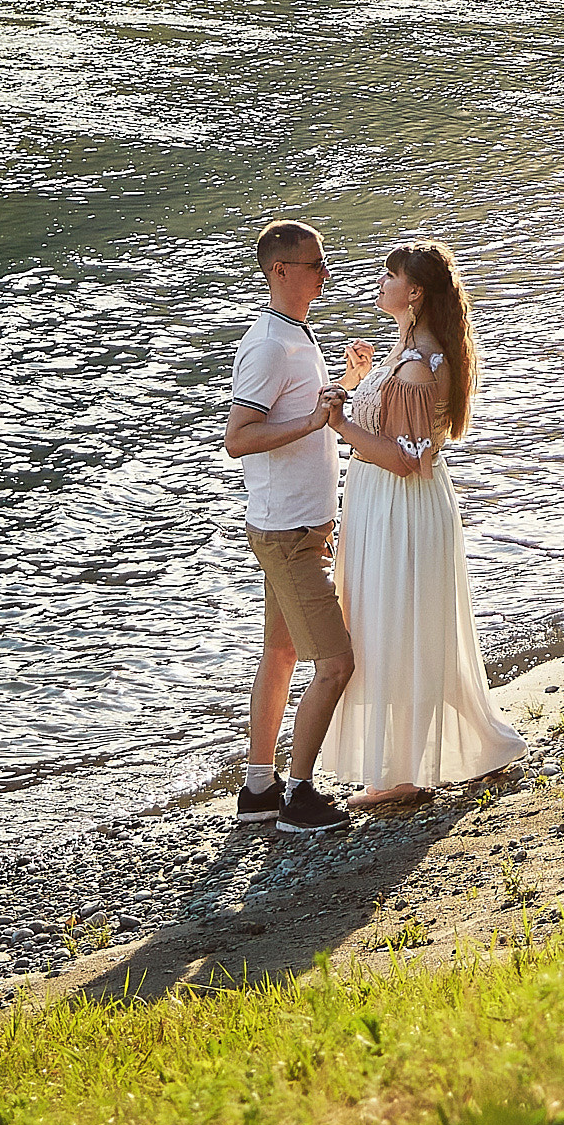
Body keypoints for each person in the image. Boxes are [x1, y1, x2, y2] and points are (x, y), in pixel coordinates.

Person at [320, 237, 525, 799]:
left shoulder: (418, 364)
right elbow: (391, 430)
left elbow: (407, 459)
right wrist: (355, 381)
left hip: (398, 505)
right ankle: (404, 763)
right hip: (386, 503)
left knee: (394, 626)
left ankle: (402, 774)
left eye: (388, 277)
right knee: (389, 623)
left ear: (413, 292)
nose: (379, 285)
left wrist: (338, 423)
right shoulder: (408, 352)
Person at [224, 219, 356, 833]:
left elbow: (303, 409)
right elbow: (240, 438)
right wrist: (309, 425)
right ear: (280, 270)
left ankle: (258, 788)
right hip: (287, 533)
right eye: (314, 262)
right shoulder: (270, 345)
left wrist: (344, 388)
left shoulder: (297, 336)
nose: (325, 272)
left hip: (300, 526)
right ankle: (300, 798)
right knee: (334, 662)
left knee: (281, 653)